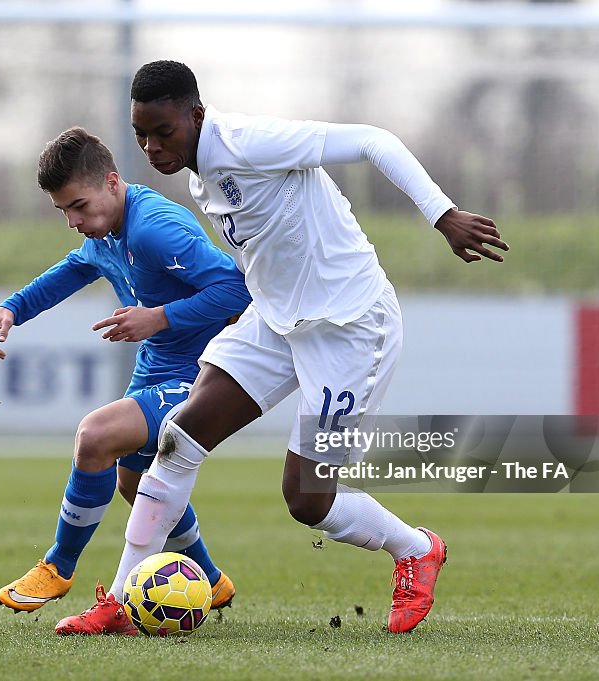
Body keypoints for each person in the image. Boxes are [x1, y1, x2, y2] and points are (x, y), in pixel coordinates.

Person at [57, 60, 509, 636]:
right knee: (179, 436)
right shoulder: (201, 173)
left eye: (163, 131)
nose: (150, 146)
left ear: (196, 115)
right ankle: (121, 601)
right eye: (141, 134)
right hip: (275, 320)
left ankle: (417, 549)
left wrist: (442, 214)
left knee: (306, 497)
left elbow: (374, 140)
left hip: (349, 327)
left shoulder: (250, 143)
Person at [0, 127, 251, 635]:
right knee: (132, 483)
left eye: (78, 205)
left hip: (205, 372)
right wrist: (11, 308)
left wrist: (158, 318)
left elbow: (237, 291)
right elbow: (72, 270)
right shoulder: (105, 232)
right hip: (158, 367)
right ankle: (210, 580)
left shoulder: (155, 228)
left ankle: (58, 566)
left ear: (111, 182)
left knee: (95, 436)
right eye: (64, 211)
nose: (73, 221)